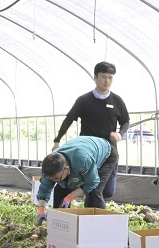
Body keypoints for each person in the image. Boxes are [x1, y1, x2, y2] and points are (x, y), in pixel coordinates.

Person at [51, 61, 129, 199]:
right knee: (94, 190)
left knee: (107, 191)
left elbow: (125, 122)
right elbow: (69, 119)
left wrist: (120, 134)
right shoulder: (84, 100)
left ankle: (87, 203)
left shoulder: (117, 101)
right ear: (95, 77)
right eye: (104, 77)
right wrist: (57, 140)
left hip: (109, 153)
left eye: (110, 78)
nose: (107, 81)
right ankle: (79, 213)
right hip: (87, 154)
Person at [35, 136, 118, 225]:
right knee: (61, 188)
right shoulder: (50, 166)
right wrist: (41, 210)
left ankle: (97, 225)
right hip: (84, 150)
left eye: (56, 178)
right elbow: (45, 188)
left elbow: (92, 183)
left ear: (66, 169)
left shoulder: (83, 160)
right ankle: (62, 224)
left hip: (106, 154)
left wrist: (69, 198)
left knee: (95, 192)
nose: (53, 181)